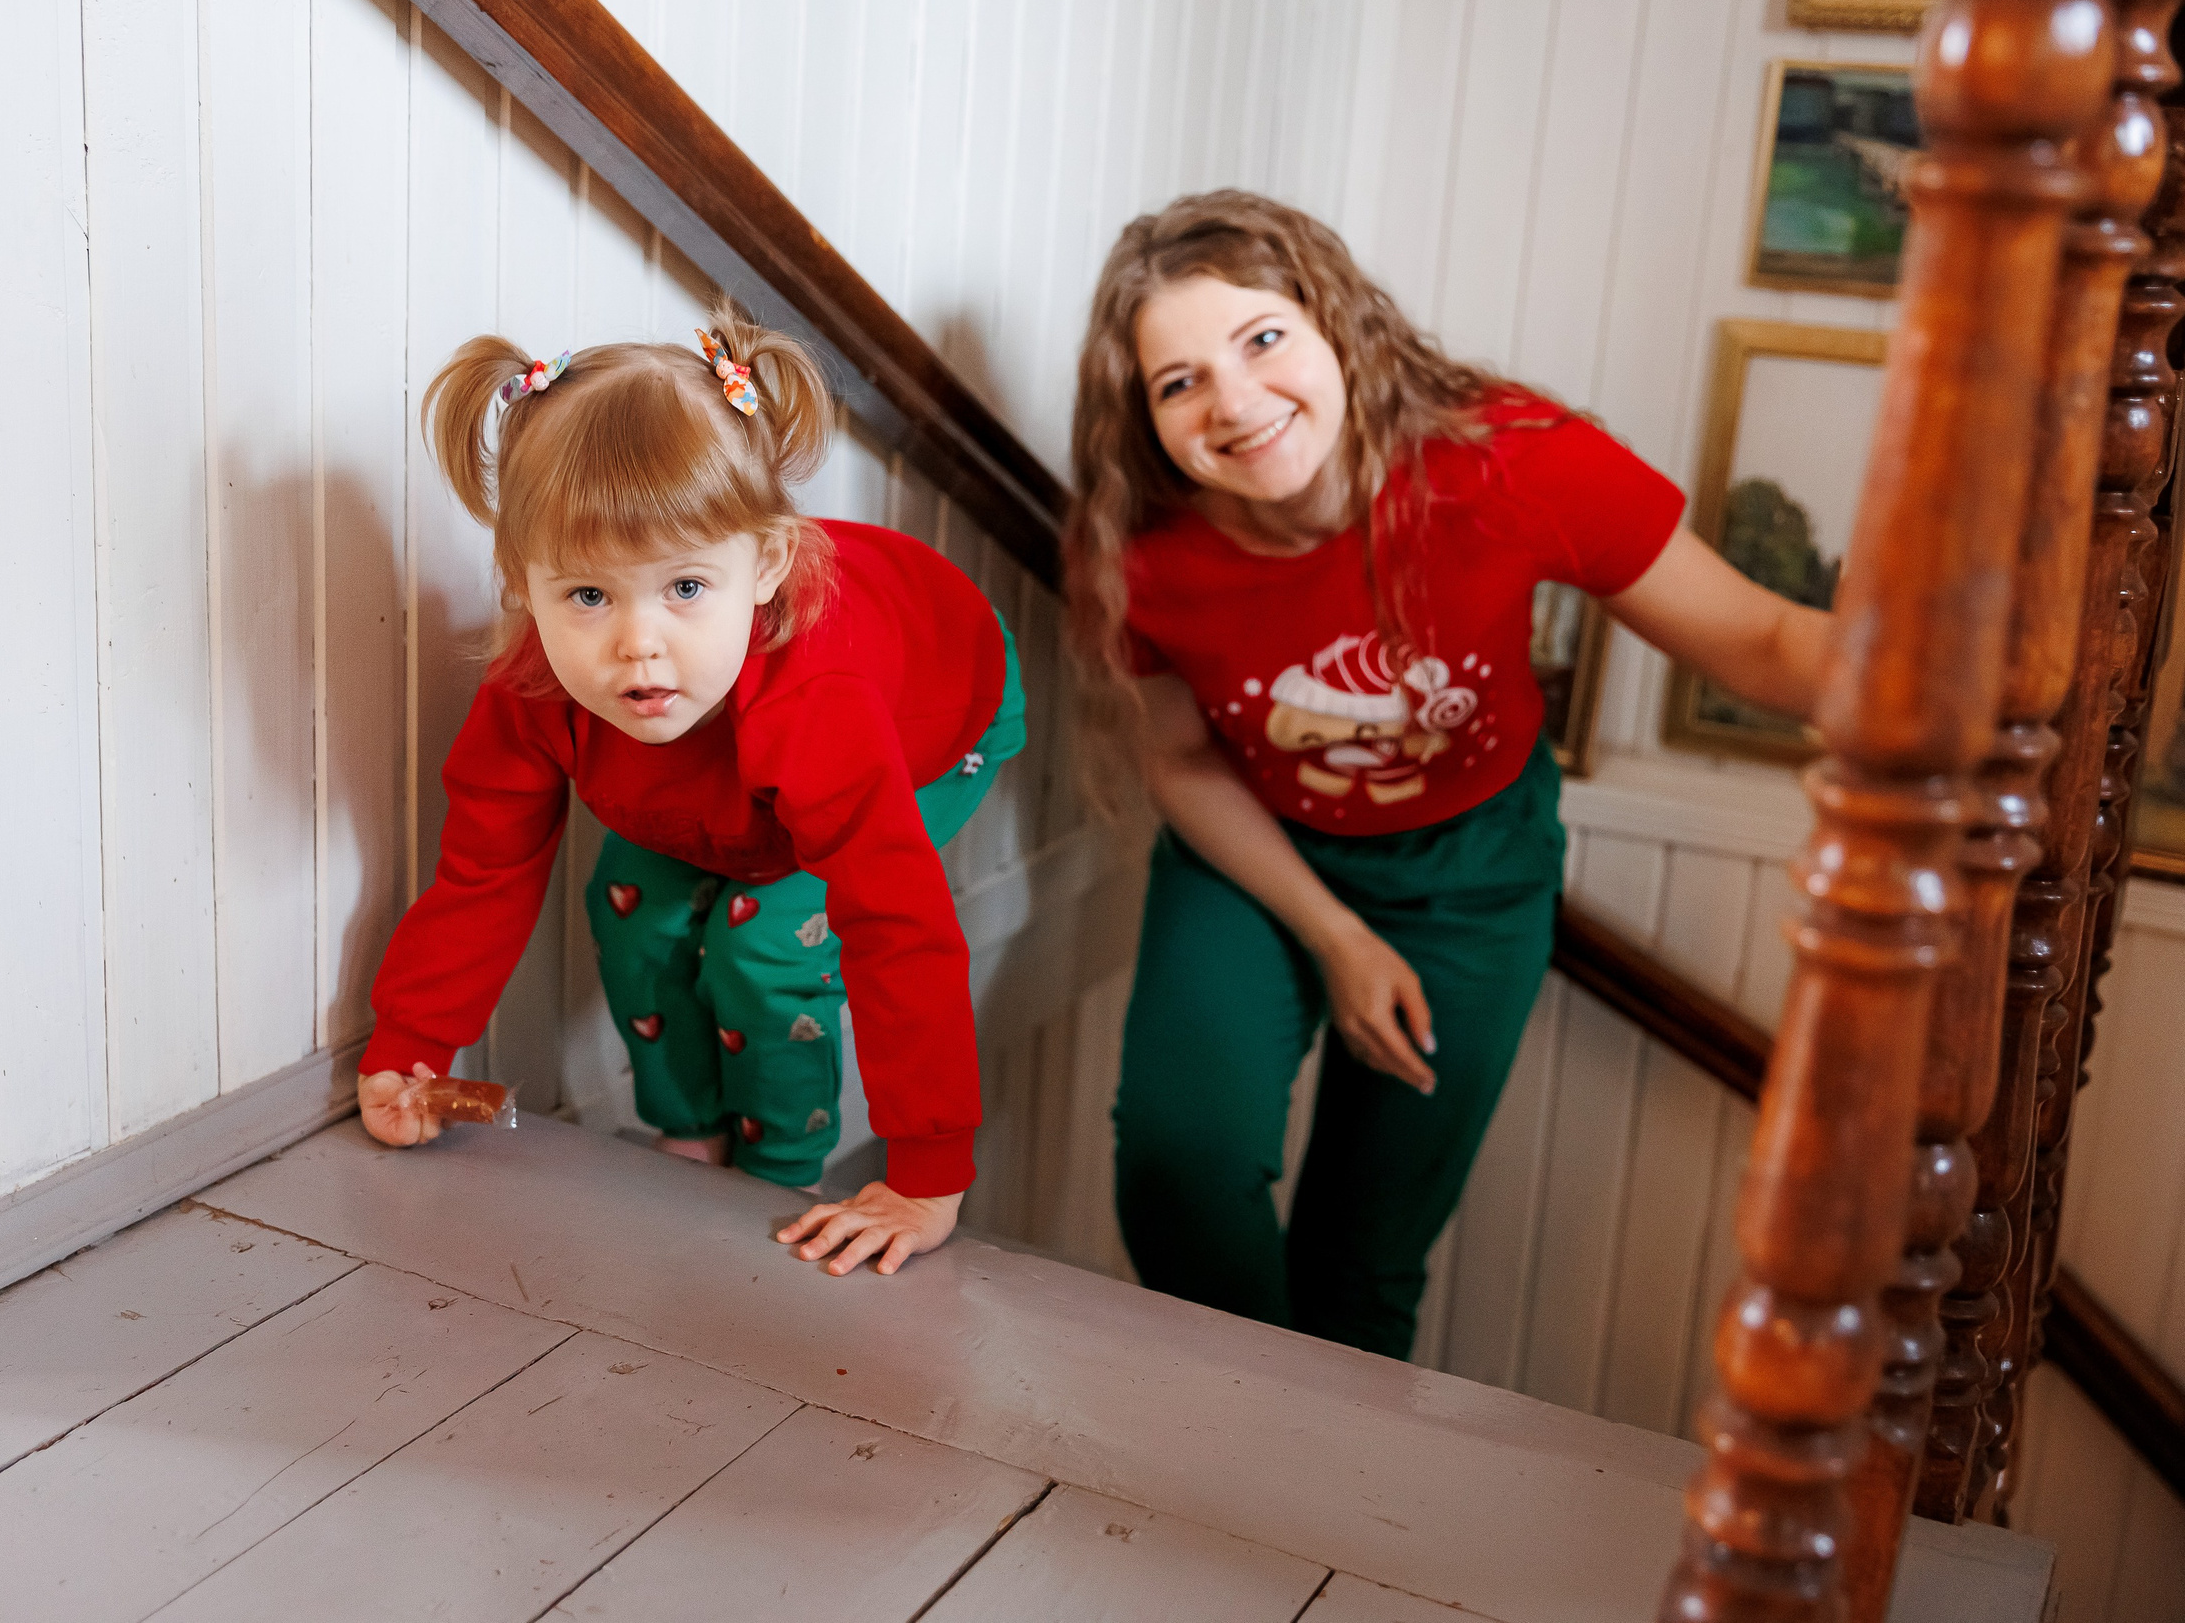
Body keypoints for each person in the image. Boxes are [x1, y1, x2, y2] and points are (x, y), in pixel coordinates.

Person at [1064, 191, 1831, 1357]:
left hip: (1470, 871)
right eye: (1178, 383)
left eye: (1261, 339)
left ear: (1334, 324)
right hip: (1257, 853)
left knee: (1361, 1260)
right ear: (1148, 421)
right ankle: (1250, 1464)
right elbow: (1176, 757)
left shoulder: (1506, 462)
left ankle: (1313, 1519)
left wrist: (1986, 690)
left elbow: (1766, 643)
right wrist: (1335, 934)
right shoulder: (1138, 545)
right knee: (1180, 1168)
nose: (1232, 400)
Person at [360, 312, 1023, 1278]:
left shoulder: (816, 701)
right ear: (522, 586)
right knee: (632, 910)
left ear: (765, 567)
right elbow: (484, 870)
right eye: (588, 596)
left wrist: (927, 1171)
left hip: (937, 716)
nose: (639, 644)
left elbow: (896, 922)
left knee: (760, 940)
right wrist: (410, 1048)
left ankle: (780, 1170)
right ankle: (693, 1135)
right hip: (726, 763)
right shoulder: (536, 686)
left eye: (684, 588)